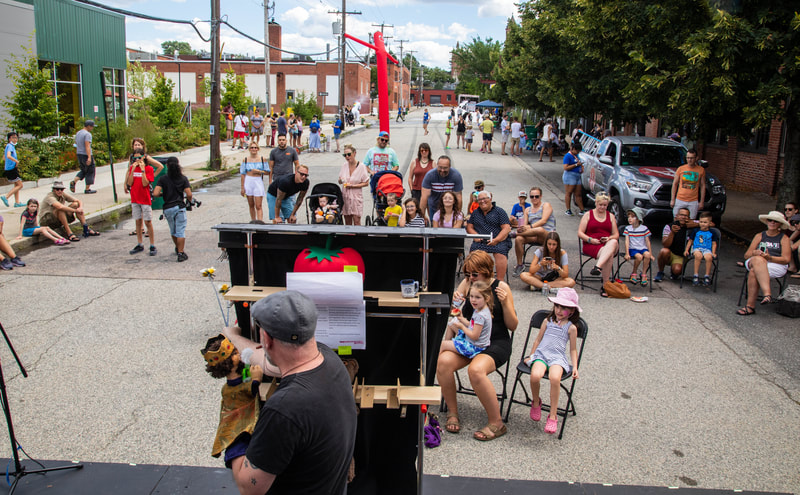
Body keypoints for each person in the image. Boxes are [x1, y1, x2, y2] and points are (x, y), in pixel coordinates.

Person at [231, 291, 357, 495]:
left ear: (266, 338)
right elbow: (263, 358)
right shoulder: (330, 360)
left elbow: (248, 487)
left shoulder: (284, 409)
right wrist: (233, 337)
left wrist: (234, 422)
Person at [436, 251, 518, 441]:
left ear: (487, 271)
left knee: (476, 370)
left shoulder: (500, 287)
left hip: (495, 342)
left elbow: (513, 326)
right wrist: (456, 302)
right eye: (467, 274)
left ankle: (497, 423)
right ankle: (453, 412)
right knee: (444, 361)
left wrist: (505, 303)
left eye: (474, 274)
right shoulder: (467, 284)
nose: (470, 278)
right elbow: (454, 315)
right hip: (469, 340)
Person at [524, 288, 581, 435]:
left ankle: (553, 415)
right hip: (542, 355)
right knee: (535, 376)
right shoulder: (547, 321)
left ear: (572, 311)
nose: (559, 311)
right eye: (557, 306)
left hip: (557, 358)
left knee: (554, 378)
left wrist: (575, 366)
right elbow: (538, 339)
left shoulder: (571, 328)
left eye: (564, 308)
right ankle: (536, 401)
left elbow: (573, 350)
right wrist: (531, 355)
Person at [202, 334, 263, 470]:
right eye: (235, 353)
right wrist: (256, 379)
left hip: (248, 420)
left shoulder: (240, 377)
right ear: (227, 363)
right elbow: (248, 390)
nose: (239, 354)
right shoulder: (229, 389)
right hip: (239, 426)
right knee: (240, 445)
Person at [736, 211, 792, 315]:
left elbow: (786, 259)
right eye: (770, 220)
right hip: (755, 261)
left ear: (780, 224)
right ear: (766, 221)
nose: (772, 223)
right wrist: (755, 252)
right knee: (758, 259)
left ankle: (750, 306)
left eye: (776, 221)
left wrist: (769, 258)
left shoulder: (784, 238)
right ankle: (767, 294)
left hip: (775, 263)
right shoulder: (759, 235)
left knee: (754, 271)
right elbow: (747, 255)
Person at [125, 139, 164, 256]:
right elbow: (130, 182)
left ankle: (152, 244)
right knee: (137, 221)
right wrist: (132, 170)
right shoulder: (132, 167)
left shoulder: (148, 169)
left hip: (144, 198)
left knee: (148, 221)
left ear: (143, 158)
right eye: (135, 158)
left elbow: (145, 183)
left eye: (139, 158)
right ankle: (139, 243)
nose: (137, 160)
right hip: (135, 198)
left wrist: (142, 170)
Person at [577, 191, 619, 295]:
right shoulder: (588, 215)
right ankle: (605, 285)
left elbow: (616, 235)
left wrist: (608, 238)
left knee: (613, 242)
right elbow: (580, 233)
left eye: (605, 205)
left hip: (607, 243)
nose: (602, 207)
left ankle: (598, 267)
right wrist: (590, 239)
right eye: (600, 205)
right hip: (592, 244)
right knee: (609, 255)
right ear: (595, 203)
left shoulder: (611, 216)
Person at [153, 156, 193, 262]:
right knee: (180, 231)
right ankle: (181, 253)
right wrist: (189, 200)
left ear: (167, 166)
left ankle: (177, 247)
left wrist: (164, 194)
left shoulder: (163, 179)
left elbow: (155, 193)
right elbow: (189, 194)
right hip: (179, 207)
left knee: (173, 230)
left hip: (168, 208)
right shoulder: (183, 178)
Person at [467, 190, 512, 282]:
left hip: (498, 240)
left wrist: (497, 239)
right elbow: (469, 226)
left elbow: (506, 228)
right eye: (480, 200)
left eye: (484, 199)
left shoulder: (499, 211)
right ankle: (475, 278)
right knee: (474, 254)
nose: (482, 201)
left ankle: (499, 281)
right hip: (481, 241)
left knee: (500, 252)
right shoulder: (475, 213)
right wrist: (475, 235)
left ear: (490, 199)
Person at [441, 281, 493, 358]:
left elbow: (474, 336)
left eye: (477, 297)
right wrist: (461, 319)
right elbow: (473, 326)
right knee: (452, 323)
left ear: (487, 298)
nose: (473, 300)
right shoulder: (480, 308)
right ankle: (449, 348)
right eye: (471, 296)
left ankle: (437, 366)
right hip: (476, 343)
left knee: (442, 345)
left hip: (474, 347)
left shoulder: (480, 315)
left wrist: (462, 327)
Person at [512, 187, 556, 276]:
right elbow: (524, 226)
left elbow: (543, 221)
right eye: (532, 197)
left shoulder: (546, 205)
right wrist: (521, 229)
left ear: (541, 196)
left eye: (537, 196)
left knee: (539, 229)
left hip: (547, 235)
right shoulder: (528, 210)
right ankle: (520, 265)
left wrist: (530, 227)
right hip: (533, 235)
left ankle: (513, 234)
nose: (534, 198)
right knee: (519, 239)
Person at [655, 207, 695, 282]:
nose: (683, 217)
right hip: (671, 253)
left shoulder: (691, 226)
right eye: (681, 215)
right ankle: (660, 272)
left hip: (682, 255)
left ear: (689, 218)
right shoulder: (669, 226)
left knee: (677, 270)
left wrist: (695, 224)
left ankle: (674, 272)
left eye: (686, 216)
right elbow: (665, 244)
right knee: (664, 251)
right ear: (676, 216)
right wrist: (672, 232)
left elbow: (710, 223)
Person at [337, 144, 370, 225]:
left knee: (357, 221)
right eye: (345, 155)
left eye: (349, 154)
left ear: (354, 153)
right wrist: (341, 180)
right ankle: (349, 237)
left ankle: (357, 237)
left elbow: (366, 183)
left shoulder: (361, 167)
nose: (347, 157)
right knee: (347, 222)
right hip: (346, 197)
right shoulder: (344, 165)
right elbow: (339, 180)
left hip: (356, 197)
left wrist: (353, 186)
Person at [684, 211, 718, 286]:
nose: (702, 224)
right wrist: (686, 250)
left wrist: (714, 252)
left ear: (710, 223)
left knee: (709, 257)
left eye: (705, 222)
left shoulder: (712, 232)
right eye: (701, 222)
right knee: (698, 256)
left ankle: (707, 276)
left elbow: (714, 243)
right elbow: (690, 241)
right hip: (697, 248)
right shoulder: (696, 231)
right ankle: (696, 275)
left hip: (707, 249)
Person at [670, 149, 706, 219]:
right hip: (680, 199)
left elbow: (703, 186)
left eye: (692, 158)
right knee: (676, 219)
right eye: (688, 158)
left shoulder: (701, 170)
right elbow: (675, 184)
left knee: (691, 220)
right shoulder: (681, 169)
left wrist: (701, 202)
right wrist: (672, 199)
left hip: (693, 200)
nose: (689, 160)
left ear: (696, 158)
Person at [239, 143, 270, 222]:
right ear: (249, 149)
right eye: (252, 148)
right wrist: (242, 187)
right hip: (248, 181)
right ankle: (253, 220)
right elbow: (243, 174)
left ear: (258, 149)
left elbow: (268, 172)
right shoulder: (245, 160)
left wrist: (259, 171)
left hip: (257, 181)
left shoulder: (262, 159)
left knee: (258, 205)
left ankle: (260, 221)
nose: (254, 149)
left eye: (255, 148)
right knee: (251, 204)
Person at [623, 207, 653, 286]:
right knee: (639, 257)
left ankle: (643, 274)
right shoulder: (628, 228)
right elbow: (627, 241)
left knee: (647, 255)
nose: (630, 219)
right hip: (633, 249)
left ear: (638, 218)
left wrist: (651, 253)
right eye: (629, 217)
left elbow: (647, 241)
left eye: (632, 217)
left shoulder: (644, 229)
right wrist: (627, 253)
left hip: (643, 248)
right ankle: (634, 272)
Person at [70, 120, 98, 194]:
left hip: (79, 154)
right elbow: (87, 146)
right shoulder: (87, 134)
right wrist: (89, 157)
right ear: (88, 126)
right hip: (86, 154)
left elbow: (76, 143)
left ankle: (74, 181)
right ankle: (87, 189)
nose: (92, 128)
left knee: (83, 170)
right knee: (90, 170)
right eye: (92, 127)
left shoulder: (78, 133)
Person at [562, 142, 585, 216]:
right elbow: (565, 167)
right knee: (569, 192)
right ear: (573, 149)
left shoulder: (577, 155)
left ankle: (582, 209)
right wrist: (575, 165)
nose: (578, 152)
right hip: (569, 175)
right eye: (577, 151)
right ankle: (568, 209)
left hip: (577, 175)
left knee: (578, 193)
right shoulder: (567, 156)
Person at [2, 132, 24, 207]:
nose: (15, 139)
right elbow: (8, 156)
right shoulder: (10, 146)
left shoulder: (9, 146)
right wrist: (16, 161)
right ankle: (6, 197)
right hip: (11, 169)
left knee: (16, 185)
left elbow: (4, 157)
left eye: (16, 137)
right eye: (13, 137)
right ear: (9, 139)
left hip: (10, 168)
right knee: (20, 185)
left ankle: (17, 202)